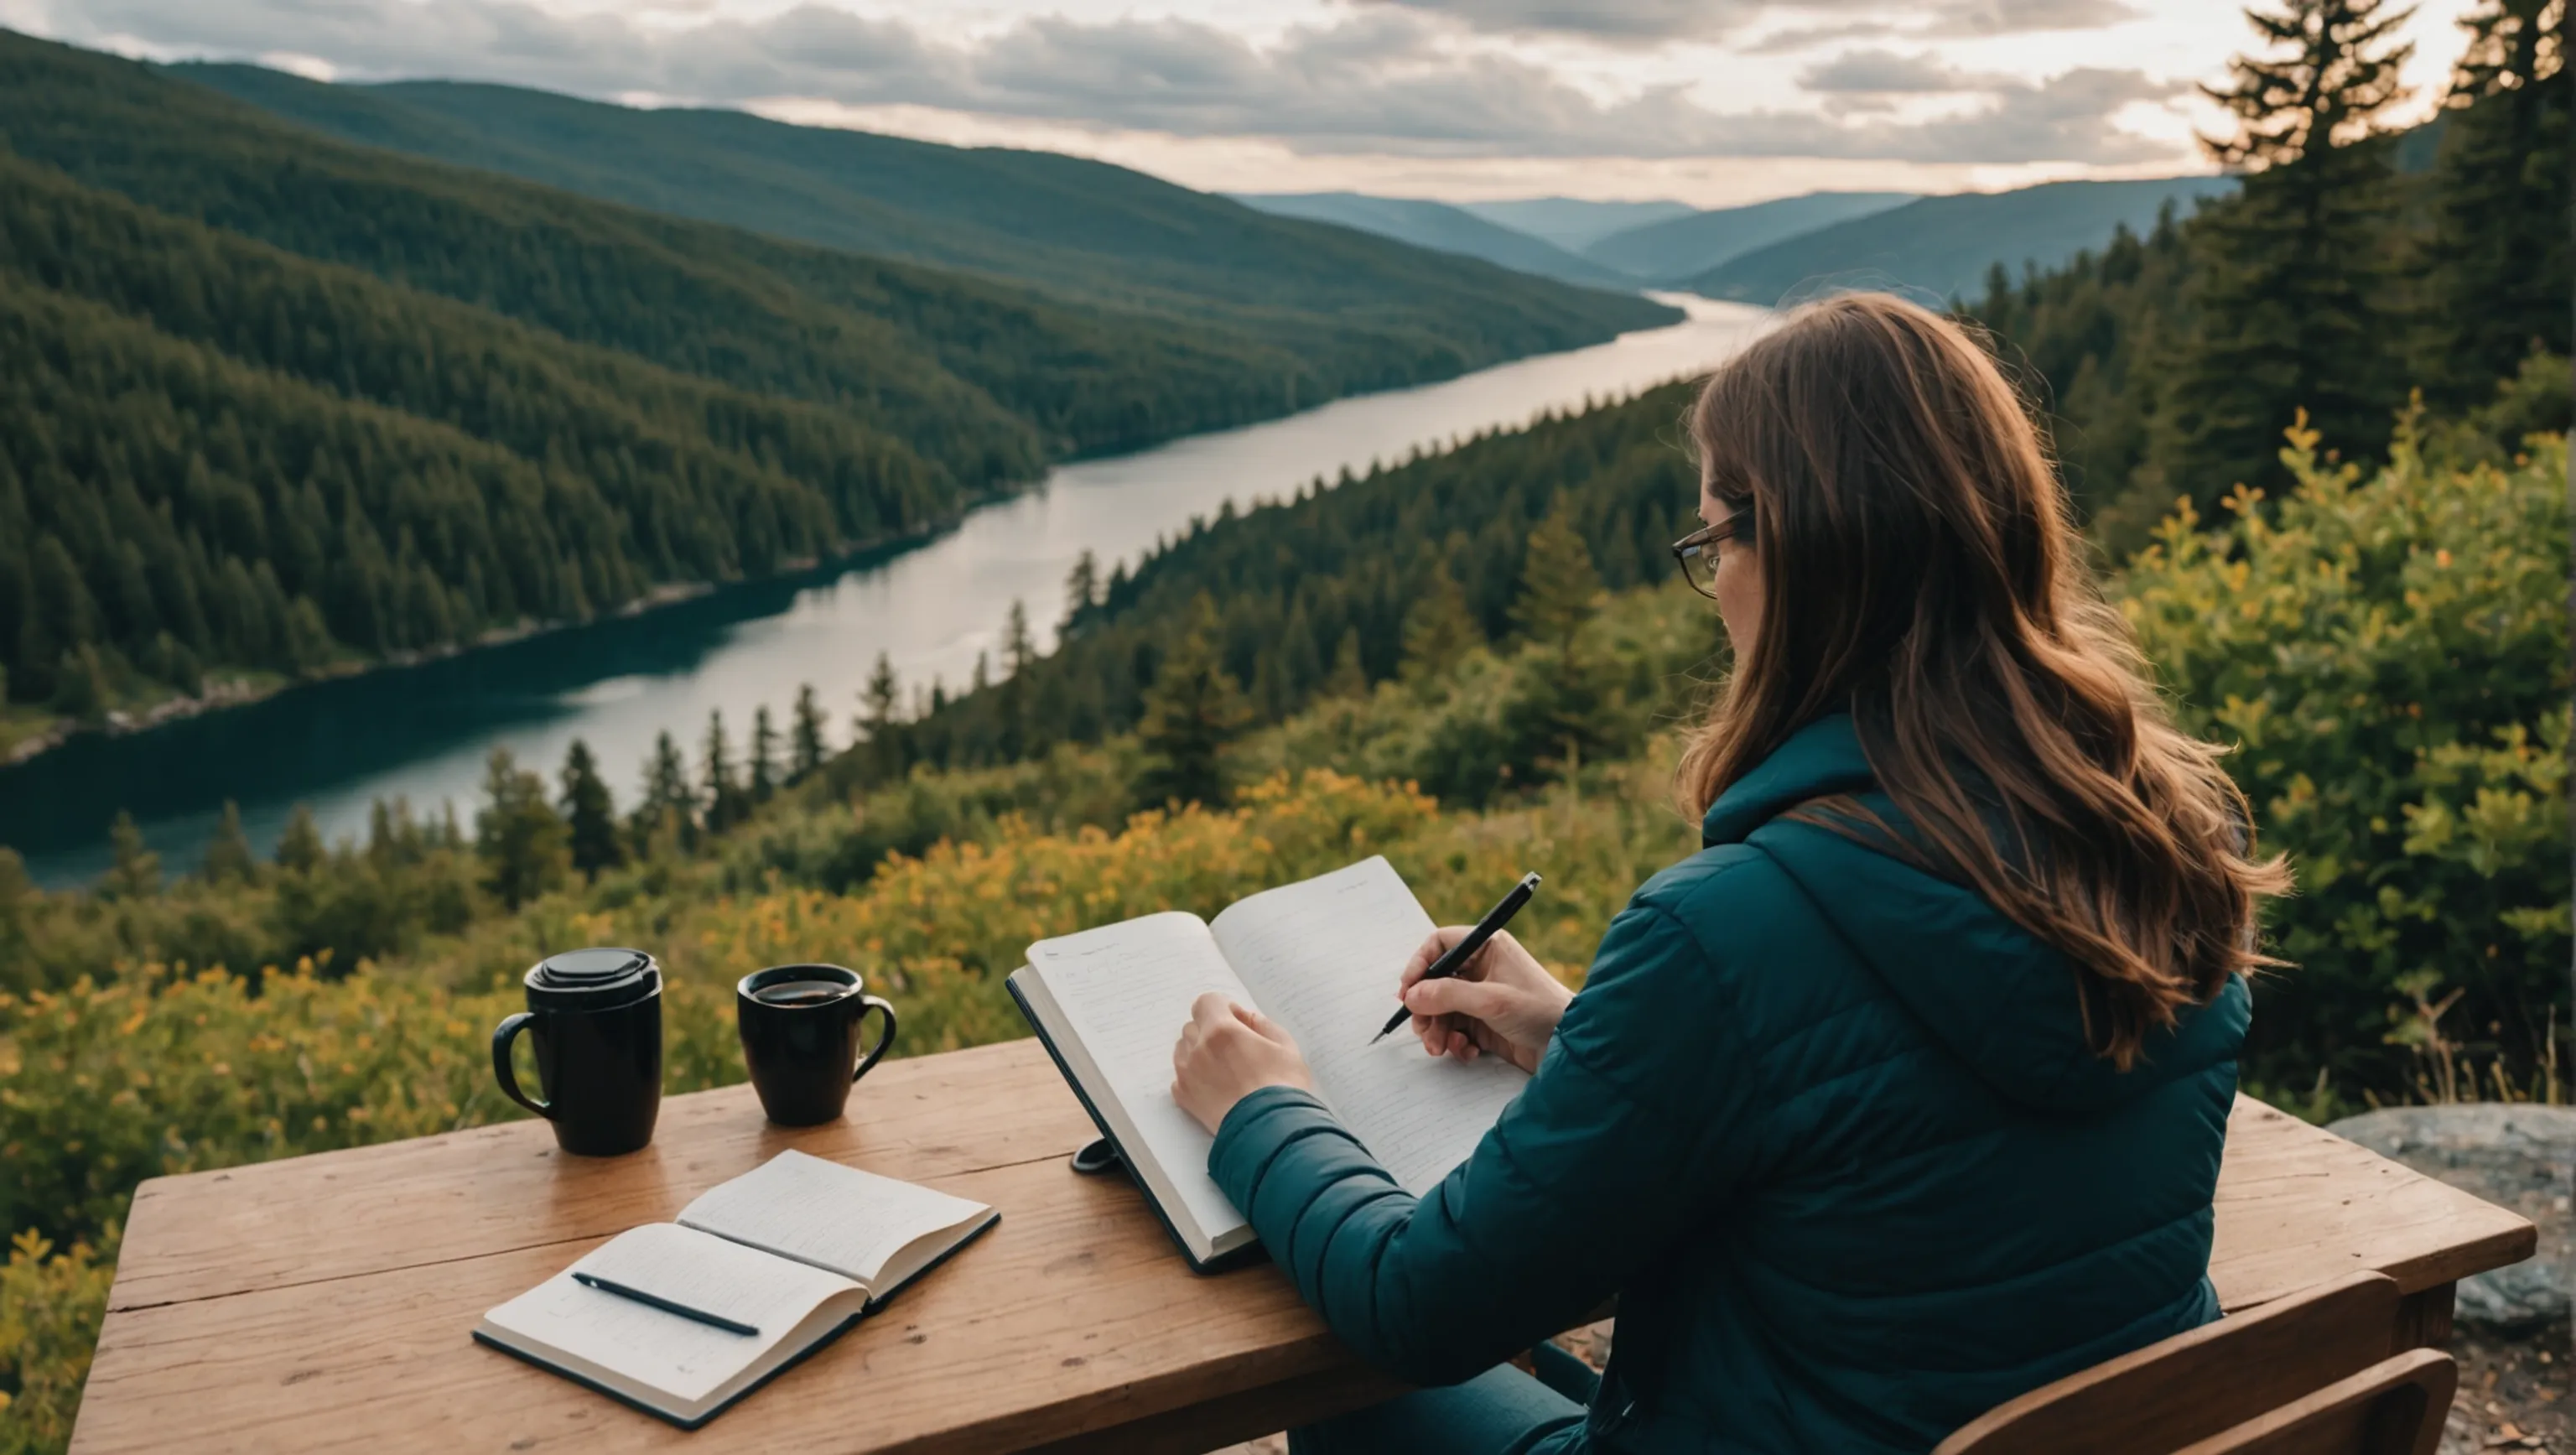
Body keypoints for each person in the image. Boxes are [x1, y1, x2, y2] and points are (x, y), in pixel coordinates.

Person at [1167, 291, 2289, 1455]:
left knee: (1359, 1390)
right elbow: (1903, 1125)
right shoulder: (2172, 840)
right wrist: (1587, 1034)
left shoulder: (1735, 930)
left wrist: (1264, 1109)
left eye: (1714, 540)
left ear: (1796, 554)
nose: (1715, 587)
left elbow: (1415, 1306)